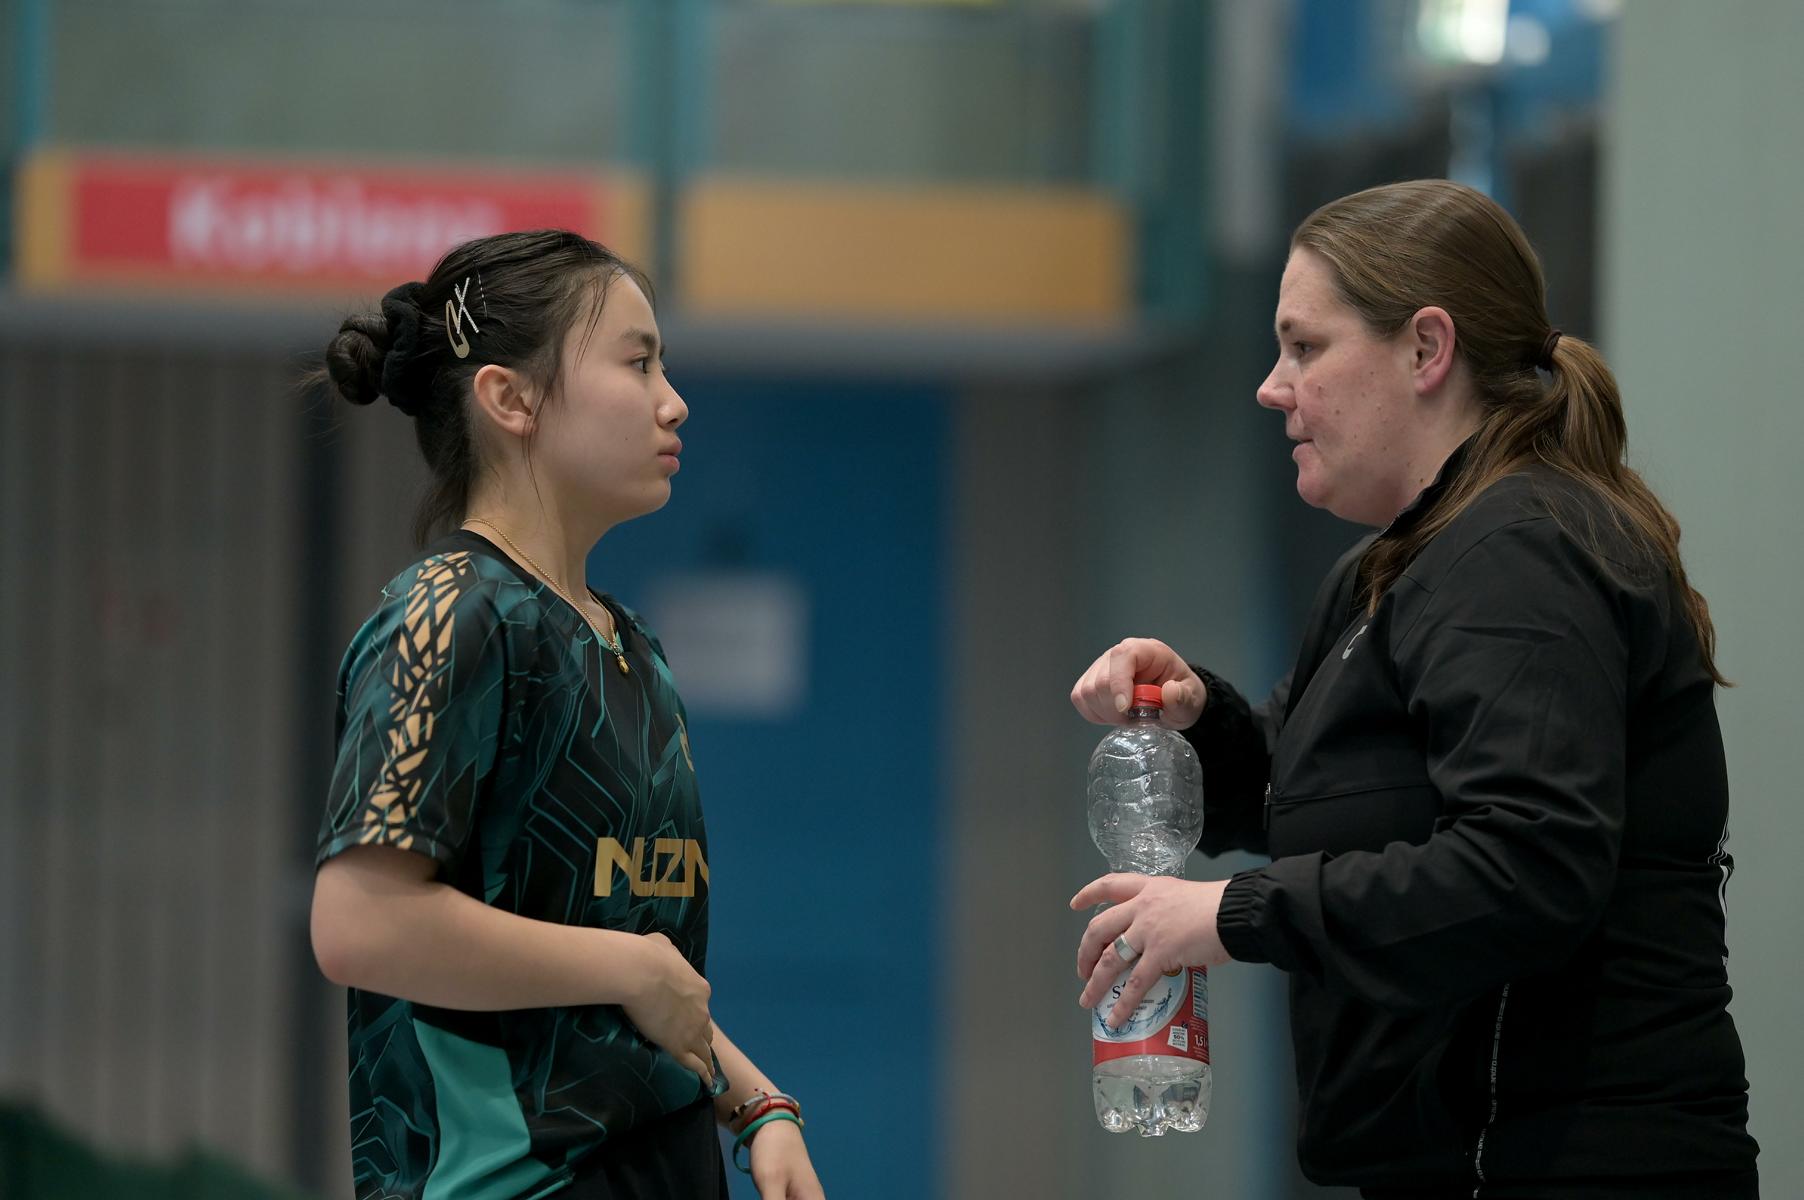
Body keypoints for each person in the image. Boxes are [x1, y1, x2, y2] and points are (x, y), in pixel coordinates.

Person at [1067, 181, 1759, 1199]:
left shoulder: (1521, 553)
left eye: (1304, 347)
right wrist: (1199, 718)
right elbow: (1317, 803)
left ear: (1427, 349)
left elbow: (1526, 867)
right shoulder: (1390, 570)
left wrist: (1234, 915)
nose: (1271, 387)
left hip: (1567, 1165)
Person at [308, 230, 826, 1200]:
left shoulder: (630, 644)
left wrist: (756, 1102)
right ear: (511, 400)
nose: (674, 401)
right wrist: (630, 968)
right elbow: (360, 923)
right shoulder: (450, 615)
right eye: (638, 363)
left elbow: (625, 969)